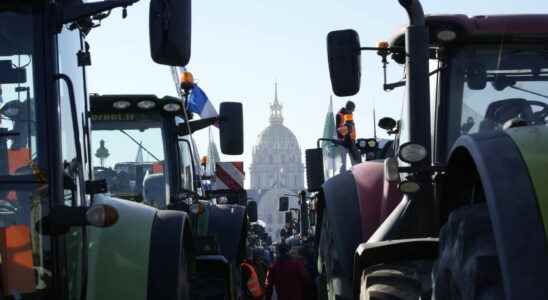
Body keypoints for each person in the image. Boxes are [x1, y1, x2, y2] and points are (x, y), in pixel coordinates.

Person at [336, 101, 360, 172]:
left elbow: (351, 128)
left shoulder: (349, 114)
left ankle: (356, 173)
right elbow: (338, 129)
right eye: (352, 109)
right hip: (343, 141)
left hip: (351, 141)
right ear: (349, 108)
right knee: (343, 162)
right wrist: (342, 139)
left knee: (355, 160)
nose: (353, 111)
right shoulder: (340, 115)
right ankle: (343, 175)